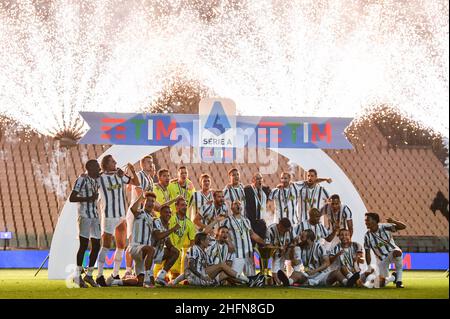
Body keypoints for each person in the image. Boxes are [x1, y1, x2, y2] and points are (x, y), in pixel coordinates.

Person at [95, 155, 139, 287]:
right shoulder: (99, 178)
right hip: (108, 216)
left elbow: (136, 183)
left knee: (121, 246)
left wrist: (132, 170)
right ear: (106, 164)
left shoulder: (120, 175)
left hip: (121, 216)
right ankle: (99, 275)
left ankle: (115, 274)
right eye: (113, 162)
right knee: (106, 245)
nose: (115, 163)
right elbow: (89, 177)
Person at [185, 232, 264, 287]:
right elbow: (190, 265)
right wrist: (201, 276)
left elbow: (210, 266)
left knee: (226, 273)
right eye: (207, 240)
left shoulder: (204, 252)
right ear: (202, 241)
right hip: (197, 278)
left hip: (204, 277)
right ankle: (249, 280)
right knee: (222, 266)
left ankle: (249, 281)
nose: (208, 242)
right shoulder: (194, 248)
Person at [69, 159, 101, 288]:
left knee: (97, 245)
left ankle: (89, 275)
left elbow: (106, 173)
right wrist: (88, 198)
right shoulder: (81, 179)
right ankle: (77, 276)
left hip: (94, 216)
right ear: (90, 168)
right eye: (97, 167)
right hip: (84, 216)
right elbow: (72, 198)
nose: (99, 169)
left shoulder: (95, 179)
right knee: (83, 245)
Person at [117, 192, 157, 288]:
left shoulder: (152, 218)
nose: (151, 203)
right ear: (144, 202)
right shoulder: (140, 213)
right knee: (151, 249)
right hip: (136, 248)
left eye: (153, 201)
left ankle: (115, 282)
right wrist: (140, 197)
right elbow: (132, 209)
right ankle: (147, 279)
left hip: (144, 253)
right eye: (148, 201)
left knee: (139, 282)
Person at [124, 155, 156, 277]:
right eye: (148, 162)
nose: (151, 164)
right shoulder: (140, 175)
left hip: (144, 215)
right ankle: (127, 270)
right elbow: (139, 193)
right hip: (135, 212)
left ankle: (139, 271)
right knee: (132, 242)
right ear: (142, 164)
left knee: (140, 242)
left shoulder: (150, 179)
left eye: (152, 162)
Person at [221, 200, 266, 276]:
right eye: (235, 204)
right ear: (231, 207)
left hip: (248, 253)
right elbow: (222, 234)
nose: (238, 205)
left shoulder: (246, 220)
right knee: (234, 276)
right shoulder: (227, 221)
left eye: (239, 204)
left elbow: (252, 234)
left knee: (251, 277)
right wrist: (229, 243)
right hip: (237, 253)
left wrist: (264, 242)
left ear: (242, 207)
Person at [364, 212, 407, 288]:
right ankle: (393, 277)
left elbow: (403, 226)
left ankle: (399, 281)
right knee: (379, 285)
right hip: (381, 260)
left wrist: (394, 221)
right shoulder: (367, 236)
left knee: (397, 252)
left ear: (374, 221)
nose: (366, 222)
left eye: (367, 220)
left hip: (391, 252)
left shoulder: (384, 227)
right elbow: (367, 252)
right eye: (365, 220)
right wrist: (369, 267)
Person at [166, 197, 196, 281]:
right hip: (166, 250)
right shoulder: (170, 218)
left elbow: (192, 242)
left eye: (186, 205)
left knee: (174, 276)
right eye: (182, 205)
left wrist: (191, 256)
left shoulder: (190, 223)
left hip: (176, 254)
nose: (185, 207)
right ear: (176, 206)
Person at [152, 205, 181, 286]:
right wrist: (173, 229)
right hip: (148, 253)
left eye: (170, 213)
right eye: (166, 212)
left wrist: (173, 249)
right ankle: (116, 281)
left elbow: (168, 243)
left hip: (157, 252)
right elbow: (158, 236)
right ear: (160, 213)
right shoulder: (156, 221)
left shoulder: (166, 224)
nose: (168, 214)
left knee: (175, 252)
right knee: (142, 282)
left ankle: (161, 277)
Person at [265, 218, 296, 285]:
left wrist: (293, 256)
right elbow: (268, 246)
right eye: (285, 230)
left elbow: (294, 241)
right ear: (280, 225)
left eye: (287, 230)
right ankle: (276, 279)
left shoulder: (290, 230)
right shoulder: (270, 230)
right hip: (276, 252)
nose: (286, 232)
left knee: (297, 250)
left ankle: (296, 273)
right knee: (276, 255)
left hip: (287, 250)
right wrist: (279, 248)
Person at [244, 173, 271, 240]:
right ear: (253, 180)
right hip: (251, 222)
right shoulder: (247, 190)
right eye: (257, 179)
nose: (260, 180)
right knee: (252, 241)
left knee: (262, 243)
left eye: (261, 178)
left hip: (262, 222)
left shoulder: (265, 190)